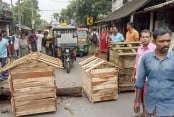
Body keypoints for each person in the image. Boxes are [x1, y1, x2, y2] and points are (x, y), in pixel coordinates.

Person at [134, 27, 174, 116]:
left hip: (170, 106)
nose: (166, 44)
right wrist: (137, 101)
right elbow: (140, 82)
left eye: (168, 41)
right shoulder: (146, 58)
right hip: (151, 105)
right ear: (154, 41)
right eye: (161, 41)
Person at [132, 29, 156, 116]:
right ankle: (145, 112)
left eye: (147, 37)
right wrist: (134, 74)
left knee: (147, 98)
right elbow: (136, 62)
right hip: (139, 78)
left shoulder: (154, 49)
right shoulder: (139, 48)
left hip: (149, 79)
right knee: (140, 97)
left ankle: (148, 114)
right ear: (140, 38)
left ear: (150, 38)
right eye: (143, 37)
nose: (145, 39)